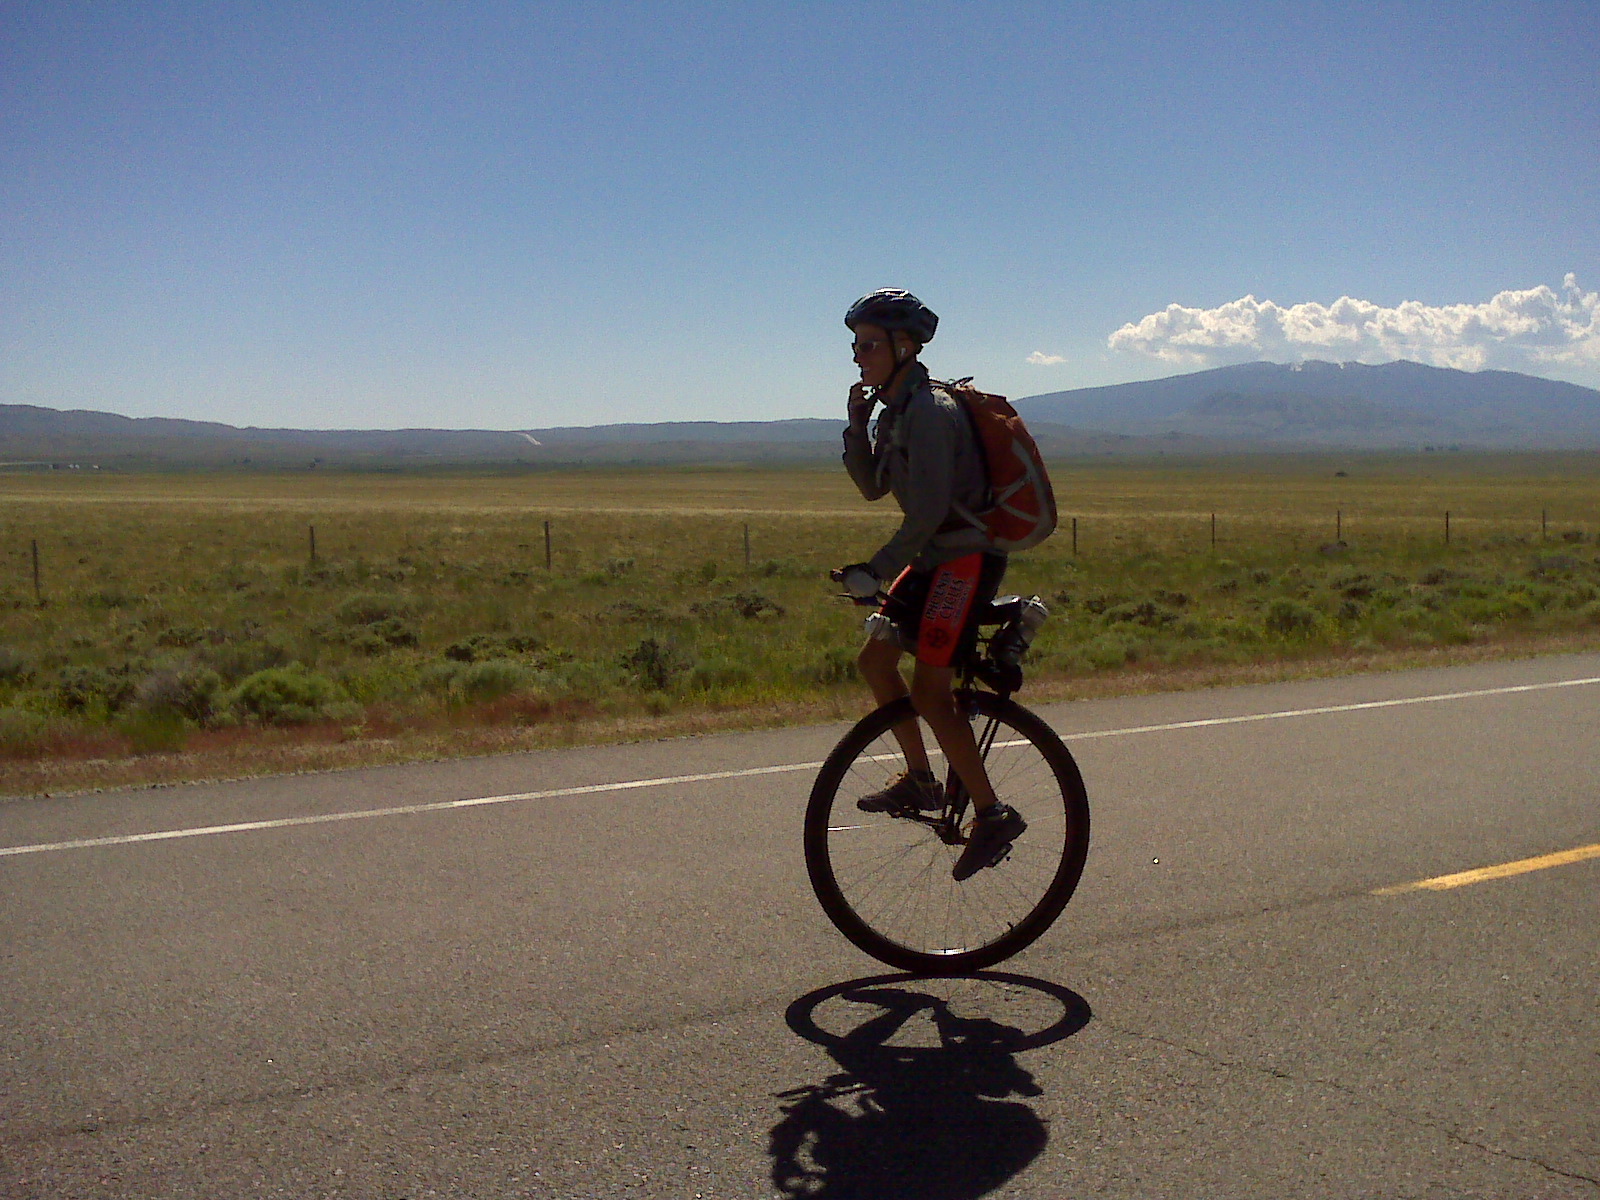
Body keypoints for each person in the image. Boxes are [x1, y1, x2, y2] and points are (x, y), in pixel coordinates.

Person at [833, 288, 1027, 881]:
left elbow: (930, 511)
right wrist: (856, 427)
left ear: (904, 346)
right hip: (936, 555)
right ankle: (920, 781)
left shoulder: (931, 411)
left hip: (962, 559)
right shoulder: (897, 412)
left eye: (869, 345)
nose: (858, 356)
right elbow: (873, 489)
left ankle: (992, 813)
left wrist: (880, 566)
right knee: (875, 661)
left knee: (930, 694)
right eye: (855, 344)